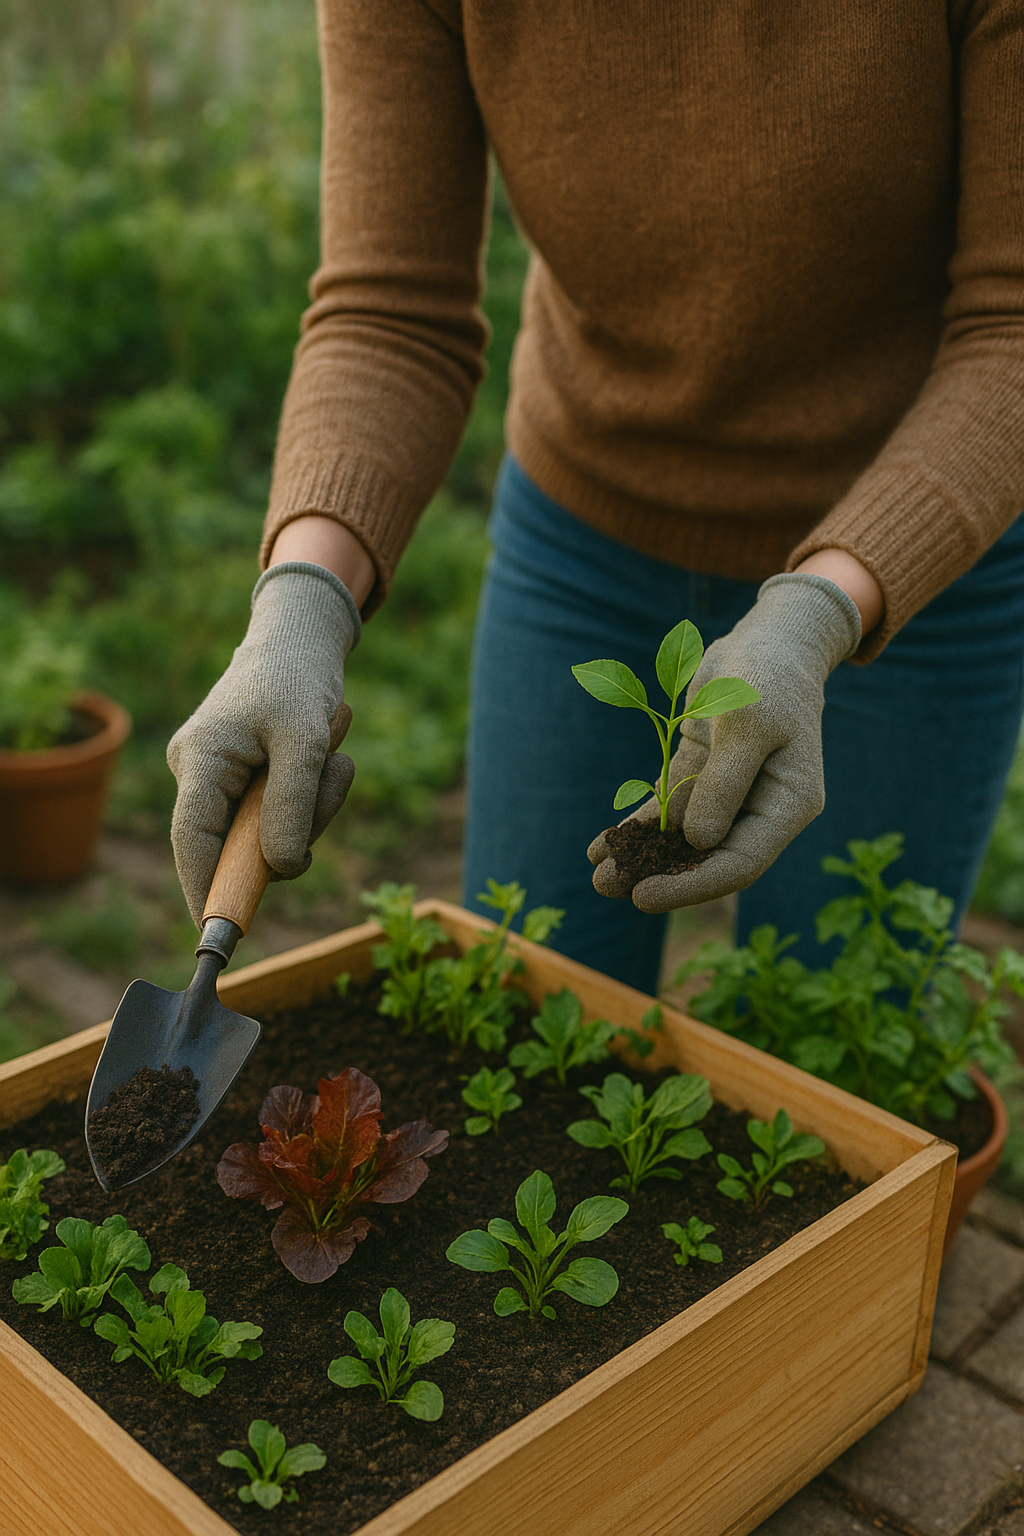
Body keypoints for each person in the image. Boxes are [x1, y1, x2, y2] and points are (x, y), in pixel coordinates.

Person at [168, 2, 1024, 995]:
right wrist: (301, 602)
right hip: (582, 537)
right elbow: (389, 313)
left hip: (910, 557)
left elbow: (1010, 325)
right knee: (528, 1003)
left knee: (843, 1031)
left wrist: (821, 608)